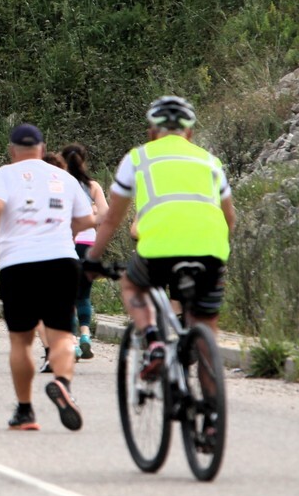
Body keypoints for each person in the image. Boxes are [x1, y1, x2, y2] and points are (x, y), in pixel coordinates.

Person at [85, 97, 234, 387]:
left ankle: (153, 342)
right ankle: (212, 418)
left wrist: (92, 258)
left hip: (159, 249)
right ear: (189, 132)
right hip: (212, 249)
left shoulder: (138, 157)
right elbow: (230, 216)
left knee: (131, 284)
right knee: (206, 330)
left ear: (152, 131)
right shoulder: (210, 161)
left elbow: (112, 219)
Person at [0, 124, 95, 432]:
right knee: (61, 336)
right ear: (42, 150)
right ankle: (63, 384)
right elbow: (87, 218)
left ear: (12, 151)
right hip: (63, 262)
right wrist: (65, 230)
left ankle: (26, 411)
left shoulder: (3, 174)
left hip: (20, 264)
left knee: (21, 341)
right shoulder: (65, 178)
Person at [61, 143, 108, 359]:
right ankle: (86, 335)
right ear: (84, 161)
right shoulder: (93, 186)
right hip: (89, 242)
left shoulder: (59, 183)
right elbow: (106, 213)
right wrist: (93, 213)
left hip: (65, 242)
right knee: (84, 294)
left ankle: (72, 343)